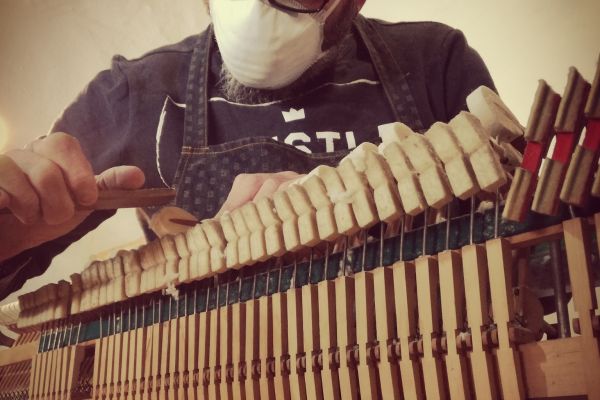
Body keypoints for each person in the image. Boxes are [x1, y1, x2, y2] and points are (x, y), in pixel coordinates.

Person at [0, 0, 495, 299]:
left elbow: (522, 253)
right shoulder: (138, 96)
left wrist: (343, 204)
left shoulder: (434, 65)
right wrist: (8, 235)